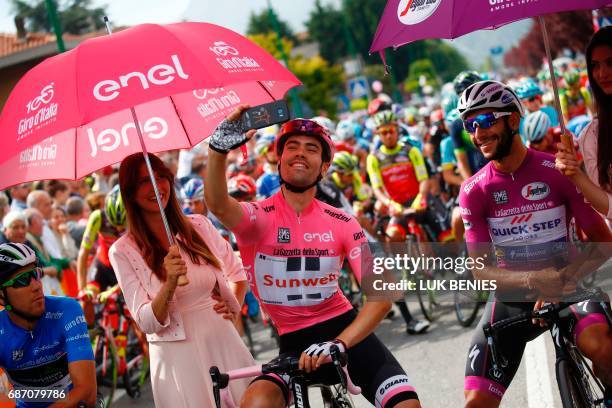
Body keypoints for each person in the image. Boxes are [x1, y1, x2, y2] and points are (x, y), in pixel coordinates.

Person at [206, 107, 421, 408]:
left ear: (324, 167)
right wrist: (217, 149)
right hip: (292, 344)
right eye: (291, 146)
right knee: (255, 404)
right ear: (278, 160)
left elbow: (382, 294)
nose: (300, 153)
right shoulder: (256, 218)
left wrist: (339, 343)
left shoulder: (343, 222)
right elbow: (216, 203)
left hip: (347, 337)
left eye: (311, 149)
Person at [456, 80, 612, 407]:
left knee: (603, 348)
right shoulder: (474, 190)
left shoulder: (556, 172)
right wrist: (533, 280)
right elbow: (481, 270)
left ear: (513, 120)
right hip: (513, 293)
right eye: (470, 125)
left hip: (567, 282)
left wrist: (561, 279)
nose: (478, 133)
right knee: (475, 402)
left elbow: (603, 241)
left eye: (486, 121)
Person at [108, 152, 254, 407]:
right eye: (144, 181)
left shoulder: (199, 225)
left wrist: (233, 308)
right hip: (178, 360)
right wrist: (170, 283)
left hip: (225, 343)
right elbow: (146, 322)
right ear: (130, 192)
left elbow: (237, 273)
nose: (156, 186)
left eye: (161, 176)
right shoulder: (122, 250)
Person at [0, 242, 97, 407]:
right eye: (22, 280)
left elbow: (86, 393)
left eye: (36, 274)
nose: (37, 286)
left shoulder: (67, 310)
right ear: (2, 296)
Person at [556, 26, 612, 223]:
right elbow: (608, 207)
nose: (602, 73)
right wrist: (574, 173)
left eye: (610, 63)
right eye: (595, 65)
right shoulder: (592, 135)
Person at [366, 110, 429, 243]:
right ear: (378, 134)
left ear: (397, 130)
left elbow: (423, 179)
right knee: (391, 237)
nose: (388, 136)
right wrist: (390, 204)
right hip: (397, 205)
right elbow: (377, 189)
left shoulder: (411, 151)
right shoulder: (373, 158)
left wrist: (421, 196)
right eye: (384, 132)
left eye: (391, 131)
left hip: (417, 200)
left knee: (447, 237)